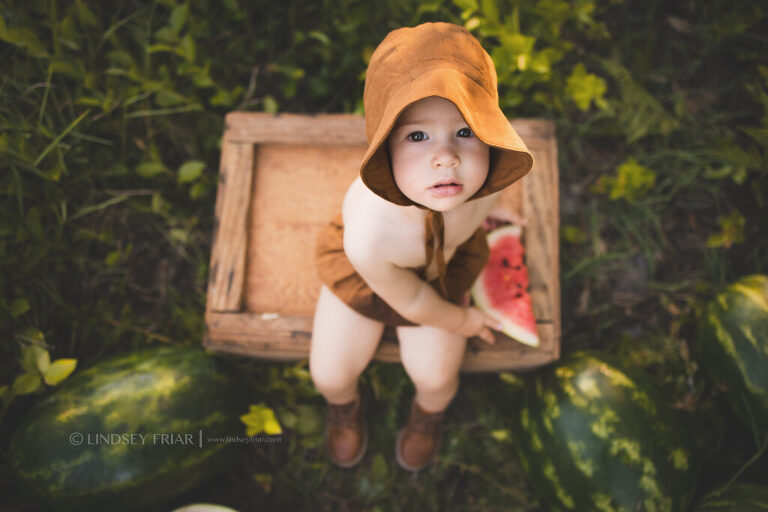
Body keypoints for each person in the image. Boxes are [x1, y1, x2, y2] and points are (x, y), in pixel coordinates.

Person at [309, 22, 533, 472]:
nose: (447, 157)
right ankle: (344, 405)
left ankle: (427, 415)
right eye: (417, 136)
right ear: (383, 149)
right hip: (375, 280)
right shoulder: (370, 233)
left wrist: (492, 215)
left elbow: (488, 191)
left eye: (466, 133)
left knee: (436, 377)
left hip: (444, 268)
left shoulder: (482, 184)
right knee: (329, 373)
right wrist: (464, 319)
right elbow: (411, 298)